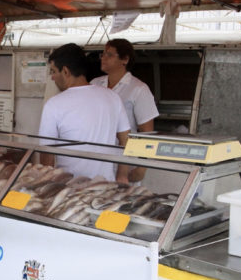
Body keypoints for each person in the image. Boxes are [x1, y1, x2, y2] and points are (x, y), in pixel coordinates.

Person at [38, 43, 130, 182]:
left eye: (53, 71)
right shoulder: (112, 97)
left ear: (66, 71)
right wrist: (122, 177)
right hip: (106, 187)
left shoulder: (54, 104)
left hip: (69, 189)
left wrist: (45, 186)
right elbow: (126, 141)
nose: (52, 77)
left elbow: (47, 155)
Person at [91, 38, 159, 181]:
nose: (103, 58)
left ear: (125, 59)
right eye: (102, 54)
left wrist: (141, 168)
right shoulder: (95, 84)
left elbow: (148, 135)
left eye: (109, 55)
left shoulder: (138, 89)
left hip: (125, 164)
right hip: (96, 159)